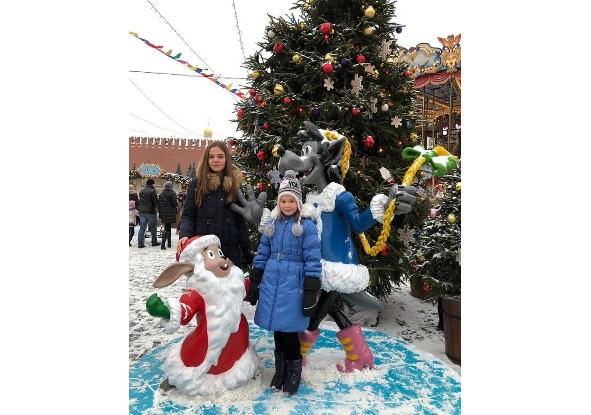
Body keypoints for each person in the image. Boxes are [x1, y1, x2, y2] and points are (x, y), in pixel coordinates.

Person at [248, 170, 322, 395]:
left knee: (289, 331)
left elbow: (313, 259)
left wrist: (310, 290)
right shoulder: (273, 224)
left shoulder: (307, 226)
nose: (287, 205)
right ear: (278, 203)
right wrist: (255, 279)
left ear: (298, 202)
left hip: (293, 283)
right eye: (283, 201)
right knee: (277, 329)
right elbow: (263, 252)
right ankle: (280, 370)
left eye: (291, 201)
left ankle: (293, 372)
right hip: (272, 280)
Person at [177, 141, 253, 269]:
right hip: (206, 251)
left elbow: (239, 220)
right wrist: (185, 234)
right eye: (211, 157)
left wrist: (245, 247)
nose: (216, 160)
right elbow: (189, 214)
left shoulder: (234, 184)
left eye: (220, 156)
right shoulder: (197, 184)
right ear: (206, 160)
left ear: (226, 159)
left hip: (230, 249)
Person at [137, 178, 160, 248]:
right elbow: (155, 201)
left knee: (142, 228)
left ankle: (140, 243)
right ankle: (154, 241)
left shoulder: (141, 191)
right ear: (152, 184)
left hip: (142, 211)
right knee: (153, 227)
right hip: (150, 211)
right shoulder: (152, 191)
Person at [158, 181, 178, 250]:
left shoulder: (162, 193)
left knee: (166, 227)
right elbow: (174, 203)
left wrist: (160, 213)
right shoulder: (172, 193)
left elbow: (159, 204)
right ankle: (164, 244)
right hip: (170, 212)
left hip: (163, 213)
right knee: (168, 228)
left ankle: (168, 243)